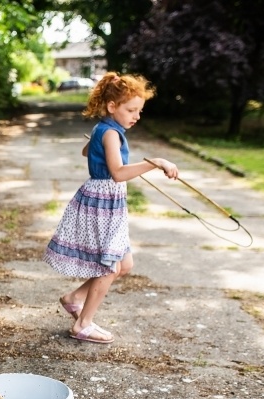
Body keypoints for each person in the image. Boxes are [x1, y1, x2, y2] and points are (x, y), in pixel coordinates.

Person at [43, 72, 179, 344]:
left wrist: (96, 142)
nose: (137, 116)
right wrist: (156, 162)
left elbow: (86, 152)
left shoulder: (105, 130)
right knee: (109, 266)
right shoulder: (111, 134)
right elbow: (117, 172)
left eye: (139, 110)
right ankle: (83, 324)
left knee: (124, 264)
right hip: (102, 204)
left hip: (109, 203)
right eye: (131, 110)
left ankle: (75, 298)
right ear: (112, 107)